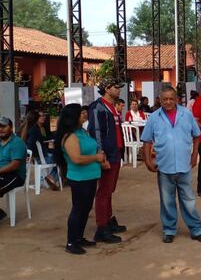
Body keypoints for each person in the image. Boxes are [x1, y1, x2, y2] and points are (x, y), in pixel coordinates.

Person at [140, 86, 201, 244]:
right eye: (165, 99)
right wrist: (147, 161)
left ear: (177, 99)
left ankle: (196, 230)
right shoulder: (154, 118)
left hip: (184, 166)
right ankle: (169, 230)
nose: (168, 102)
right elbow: (146, 141)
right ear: (160, 100)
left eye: (171, 99)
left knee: (189, 200)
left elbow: (196, 135)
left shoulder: (186, 114)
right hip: (164, 167)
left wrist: (194, 155)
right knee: (167, 201)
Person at [55, 104, 106, 255]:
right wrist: (96, 157)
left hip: (91, 176)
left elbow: (92, 146)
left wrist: (100, 154)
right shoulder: (70, 136)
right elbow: (76, 158)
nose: (85, 114)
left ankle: (79, 237)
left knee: (86, 208)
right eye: (81, 113)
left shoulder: (82, 131)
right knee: (78, 209)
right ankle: (71, 242)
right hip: (79, 178)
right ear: (73, 117)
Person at [87, 78, 126, 243]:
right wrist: (101, 155)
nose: (119, 90)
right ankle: (101, 228)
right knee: (103, 191)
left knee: (109, 190)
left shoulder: (111, 107)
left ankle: (108, 220)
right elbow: (96, 132)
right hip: (107, 155)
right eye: (116, 87)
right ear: (107, 89)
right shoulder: (98, 107)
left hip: (115, 153)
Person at [0, 117, 28, 221]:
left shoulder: (17, 143)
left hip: (15, 175)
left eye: (4, 126)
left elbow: (15, 165)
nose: (1, 129)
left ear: (11, 127)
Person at [19, 109, 60, 190]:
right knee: (62, 159)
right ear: (36, 118)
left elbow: (49, 136)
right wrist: (31, 157)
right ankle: (52, 178)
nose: (43, 117)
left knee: (59, 155)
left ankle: (48, 179)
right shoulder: (34, 130)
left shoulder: (30, 128)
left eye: (44, 115)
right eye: (41, 116)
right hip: (40, 157)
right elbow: (31, 145)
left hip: (39, 155)